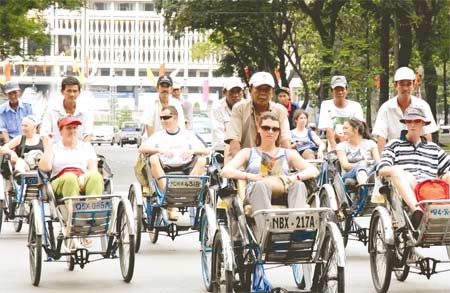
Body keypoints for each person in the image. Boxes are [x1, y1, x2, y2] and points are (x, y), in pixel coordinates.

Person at [221, 112, 319, 242]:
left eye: (275, 129)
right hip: (257, 190)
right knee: (260, 185)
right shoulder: (248, 152)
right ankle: (267, 234)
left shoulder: (288, 153)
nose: (271, 131)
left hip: (283, 190)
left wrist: (294, 178)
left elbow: (313, 170)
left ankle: (297, 232)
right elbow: (225, 171)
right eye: (266, 128)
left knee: (299, 185)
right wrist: (250, 176)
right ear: (259, 130)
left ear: (279, 132)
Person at [377, 106, 450, 229]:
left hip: (430, 190)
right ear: (405, 123)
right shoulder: (394, 145)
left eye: (416, 121)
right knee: (396, 169)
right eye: (409, 121)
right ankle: (417, 211)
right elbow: (382, 169)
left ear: (422, 123)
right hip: (406, 190)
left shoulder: (433, 148)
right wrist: (402, 173)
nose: (412, 125)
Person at [138, 106, 209, 220]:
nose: (162, 121)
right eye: (161, 118)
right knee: (153, 159)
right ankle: (168, 197)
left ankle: (189, 193)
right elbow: (142, 148)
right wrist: (159, 151)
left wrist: (192, 151)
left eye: (166, 118)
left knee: (202, 160)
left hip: (186, 166)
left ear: (175, 118)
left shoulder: (188, 134)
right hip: (166, 166)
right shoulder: (158, 135)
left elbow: (207, 150)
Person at [224, 71, 291, 158]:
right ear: (250, 90)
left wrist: (287, 162)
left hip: (272, 162)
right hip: (244, 161)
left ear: (272, 92)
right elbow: (234, 141)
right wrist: (239, 163)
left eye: (266, 90)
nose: (263, 93)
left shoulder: (280, 110)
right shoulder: (239, 108)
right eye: (259, 89)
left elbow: (285, 140)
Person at [372, 66, 438, 154]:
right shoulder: (386, 108)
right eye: (402, 84)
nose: (405, 88)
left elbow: (427, 134)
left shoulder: (422, 106)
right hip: (395, 155)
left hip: (418, 155)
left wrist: (427, 158)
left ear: (414, 84)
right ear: (395, 85)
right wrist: (383, 162)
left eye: (409, 84)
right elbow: (381, 137)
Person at [38, 116, 104, 198]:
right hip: (61, 180)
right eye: (68, 128)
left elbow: (93, 169)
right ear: (61, 131)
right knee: (70, 177)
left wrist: (83, 177)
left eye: (74, 128)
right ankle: (72, 208)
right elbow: (45, 168)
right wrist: (49, 146)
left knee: (96, 176)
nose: (72, 131)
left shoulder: (86, 146)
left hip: (82, 178)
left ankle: (93, 207)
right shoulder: (54, 148)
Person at [40, 76, 94, 143]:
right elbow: (45, 134)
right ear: (62, 91)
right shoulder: (52, 110)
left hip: (79, 151)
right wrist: (48, 151)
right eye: (69, 91)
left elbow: (88, 134)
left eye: (75, 91)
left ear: (79, 92)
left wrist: (85, 150)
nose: (72, 94)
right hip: (56, 150)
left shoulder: (85, 110)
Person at [318, 75, 364, 151]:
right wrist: (334, 148)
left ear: (347, 90)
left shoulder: (356, 106)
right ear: (332, 91)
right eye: (337, 90)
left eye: (342, 89)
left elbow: (358, 129)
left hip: (354, 148)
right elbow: (328, 129)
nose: (340, 92)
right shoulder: (326, 105)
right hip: (336, 147)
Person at [336, 118, 379, 195]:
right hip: (350, 173)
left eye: (346, 128)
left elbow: (378, 162)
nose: (343, 131)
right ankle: (365, 194)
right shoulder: (341, 146)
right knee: (361, 168)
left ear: (356, 129)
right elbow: (345, 165)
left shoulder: (371, 144)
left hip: (370, 171)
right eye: (343, 128)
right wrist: (361, 164)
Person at [211, 77, 244, 152]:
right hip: (222, 150)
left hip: (244, 150)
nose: (236, 95)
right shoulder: (217, 107)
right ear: (224, 93)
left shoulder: (247, 105)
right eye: (232, 92)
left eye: (238, 91)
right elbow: (219, 134)